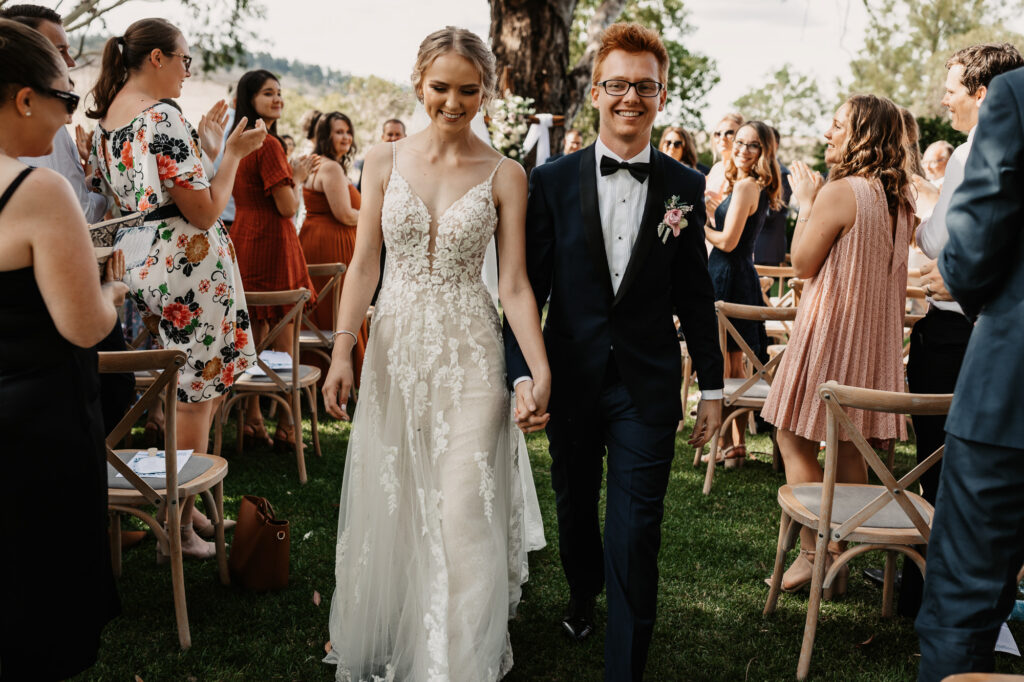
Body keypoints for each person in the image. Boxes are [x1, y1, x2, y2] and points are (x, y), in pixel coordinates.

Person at [321, 26, 549, 680]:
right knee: (397, 502)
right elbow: (364, 266)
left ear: (487, 89)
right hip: (394, 351)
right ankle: (404, 636)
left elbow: (514, 284)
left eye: (468, 90)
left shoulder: (507, 174)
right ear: (420, 82)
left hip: (472, 355)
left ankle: (454, 665)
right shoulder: (383, 160)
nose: (453, 102)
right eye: (440, 88)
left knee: (460, 511)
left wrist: (538, 367)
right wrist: (343, 352)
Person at [505, 23, 724, 680]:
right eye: (619, 84)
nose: (632, 97)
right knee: (575, 507)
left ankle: (623, 666)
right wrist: (522, 376)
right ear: (596, 92)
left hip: (647, 384)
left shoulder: (686, 183)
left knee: (634, 528)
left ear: (661, 95)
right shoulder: (549, 180)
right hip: (568, 378)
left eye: (646, 86)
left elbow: (695, 290)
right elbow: (525, 291)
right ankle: (581, 592)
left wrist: (713, 389)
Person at [87, 18, 265, 557]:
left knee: (193, 388)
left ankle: (191, 514)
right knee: (197, 394)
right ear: (157, 59)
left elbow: (130, 194)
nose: (190, 71)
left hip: (147, 262)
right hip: (191, 265)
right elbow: (207, 210)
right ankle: (180, 529)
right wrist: (232, 155)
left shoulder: (108, 122)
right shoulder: (161, 116)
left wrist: (206, 150)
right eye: (185, 60)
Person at [0, 19, 127, 679]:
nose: (65, 119)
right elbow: (85, 327)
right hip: (33, 430)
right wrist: (114, 286)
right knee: (35, 613)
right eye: (66, 99)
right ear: (25, 99)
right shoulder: (36, 190)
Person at [760, 94, 915, 593]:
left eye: (836, 125)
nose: (829, 133)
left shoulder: (839, 191)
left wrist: (807, 203)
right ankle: (841, 560)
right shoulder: (900, 200)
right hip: (873, 341)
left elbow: (802, 264)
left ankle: (816, 552)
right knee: (850, 448)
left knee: (791, 435)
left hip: (830, 333)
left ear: (861, 135)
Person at [897, 42, 1023, 619]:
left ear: (980, 93)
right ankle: (924, 586)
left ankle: (944, 599)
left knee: (945, 476)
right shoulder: (974, 151)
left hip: (957, 338)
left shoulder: (979, 154)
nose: (942, 99)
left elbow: (958, 257)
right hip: (960, 330)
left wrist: (930, 271)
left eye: (951, 87)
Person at [229, 69, 317, 449]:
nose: (277, 99)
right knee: (285, 330)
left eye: (280, 93)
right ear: (251, 99)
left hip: (244, 239)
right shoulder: (268, 144)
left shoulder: (237, 141)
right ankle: (285, 421)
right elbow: (286, 207)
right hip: (274, 241)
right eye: (268, 93)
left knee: (256, 332)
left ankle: (252, 419)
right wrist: (295, 177)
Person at [703, 120, 782, 465]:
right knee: (731, 361)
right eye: (740, 141)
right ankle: (734, 445)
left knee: (724, 359)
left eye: (753, 145)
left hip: (729, 274)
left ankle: (726, 443)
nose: (742, 148)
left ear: (764, 152)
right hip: (734, 273)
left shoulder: (748, 186)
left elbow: (727, 241)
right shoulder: (748, 185)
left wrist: (698, 225)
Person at [1, 4, 106, 224]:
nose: (71, 62)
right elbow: (79, 211)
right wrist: (108, 189)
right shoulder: (42, 123)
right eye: (59, 51)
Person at [298, 111, 368, 388]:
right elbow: (345, 215)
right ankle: (340, 375)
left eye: (348, 131)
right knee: (340, 307)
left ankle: (315, 375)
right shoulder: (330, 168)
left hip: (313, 238)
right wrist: (381, 214)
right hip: (333, 243)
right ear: (325, 135)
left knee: (324, 310)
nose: (346, 137)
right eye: (339, 132)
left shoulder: (315, 164)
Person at [754, 126, 792, 265]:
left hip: (766, 246)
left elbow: (772, 212)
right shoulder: (758, 169)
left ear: (774, 145)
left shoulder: (782, 173)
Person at [705, 112, 743, 204]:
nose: (722, 137)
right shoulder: (716, 167)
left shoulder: (742, 170)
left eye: (729, 132)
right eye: (718, 134)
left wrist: (705, 200)